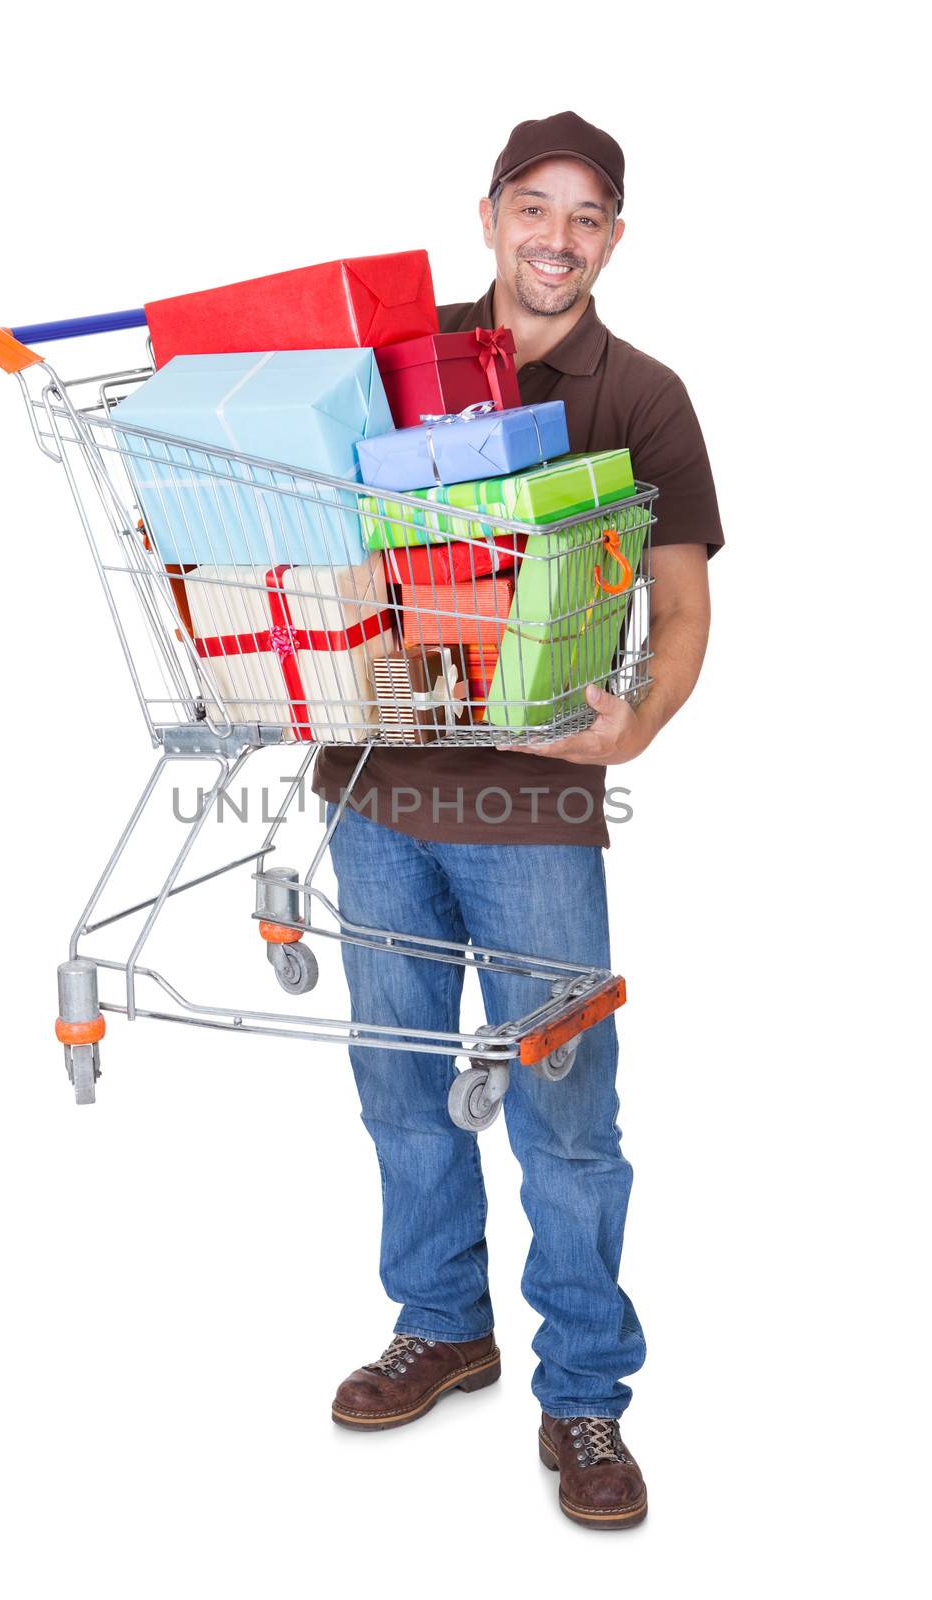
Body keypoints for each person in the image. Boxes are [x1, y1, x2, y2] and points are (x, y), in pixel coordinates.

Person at [314, 111, 724, 1530]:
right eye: (534, 208)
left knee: (564, 1110)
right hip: (370, 789)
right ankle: (444, 1325)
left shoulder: (643, 396)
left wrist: (642, 721)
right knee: (400, 1088)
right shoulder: (387, 365)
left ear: (614, 236)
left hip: (532, 804)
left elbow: (679, 606)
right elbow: (308, 528)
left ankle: (587, 1396)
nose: (558, 237)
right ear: (488, 214)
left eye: (589, 215)